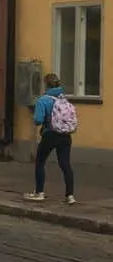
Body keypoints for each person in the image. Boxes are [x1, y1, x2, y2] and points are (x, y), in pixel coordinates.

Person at [23, 73, 76, 205]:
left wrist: (35, 118)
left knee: (40, 162)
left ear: (45, 85)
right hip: (65, 135)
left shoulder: (43, 100)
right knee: (65, 164)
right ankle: (70, 196)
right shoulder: (64, 99)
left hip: (50, 134)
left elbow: (38, 120)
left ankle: (39, 192)